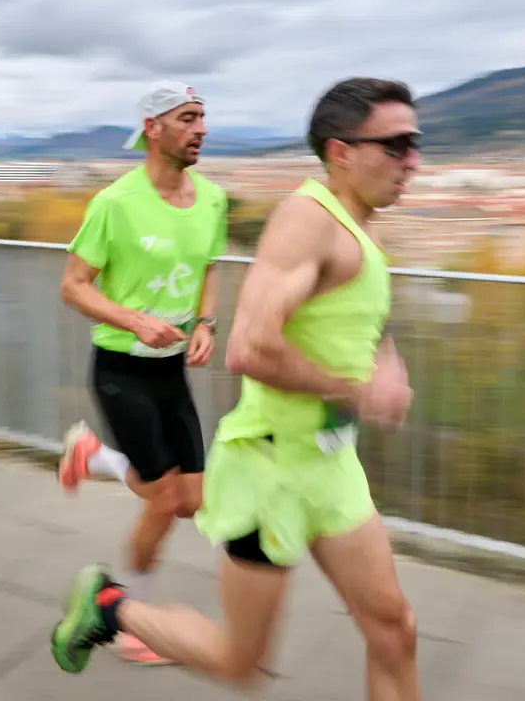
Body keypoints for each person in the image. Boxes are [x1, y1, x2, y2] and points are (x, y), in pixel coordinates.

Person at [49, 77, 422, 699]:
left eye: (416, 142)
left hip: (329, 465)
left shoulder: (359, 224)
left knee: (395, 630)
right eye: (397, 144)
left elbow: (237, 287)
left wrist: (205, 322)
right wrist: (360, 390)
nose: (413, 159)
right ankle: (111, 607)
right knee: (238, 663)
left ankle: (93, 465)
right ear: (341, 151)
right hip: (266, 470)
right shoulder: (307, 220)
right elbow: (252, 348)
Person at [56, 80, 228, 664]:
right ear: (153, 128)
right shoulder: (114, 203)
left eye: (203, 116)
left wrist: (205, 322)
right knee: (161, 501)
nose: (201, 128)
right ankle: (132, 619)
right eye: (187, 118)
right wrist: (133, 321)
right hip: (120, 368)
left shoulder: (211, 200)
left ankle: (92, 455)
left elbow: (209, 266)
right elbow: (73, 287)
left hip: (170, 368)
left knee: (191, 501)